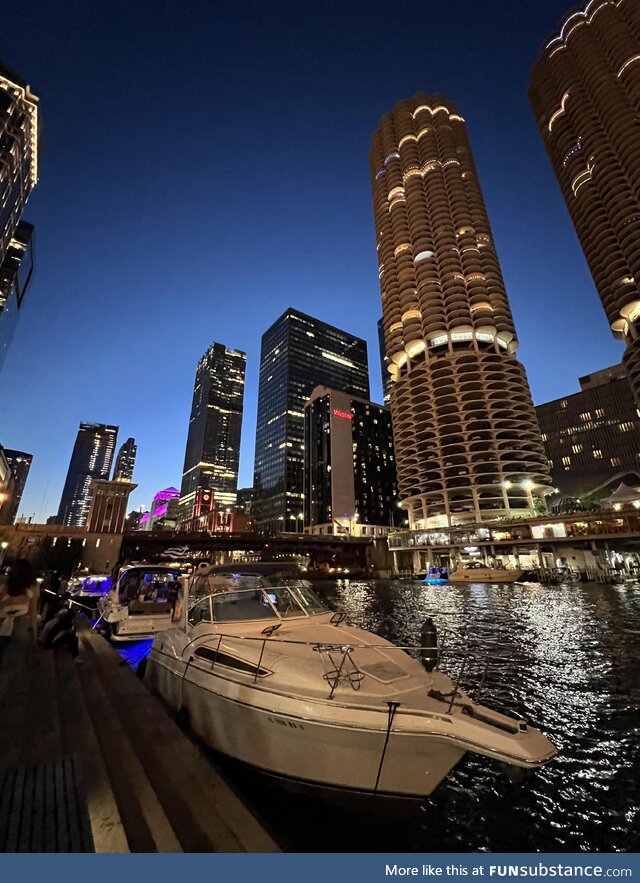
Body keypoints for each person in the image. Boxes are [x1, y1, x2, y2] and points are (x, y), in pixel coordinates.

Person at [0, 558, 38, 667]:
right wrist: (34, 634)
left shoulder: (4, 584)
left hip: (2, 623)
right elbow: (33, 612)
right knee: (11, 665)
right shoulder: (32, 587)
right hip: (20, 627)